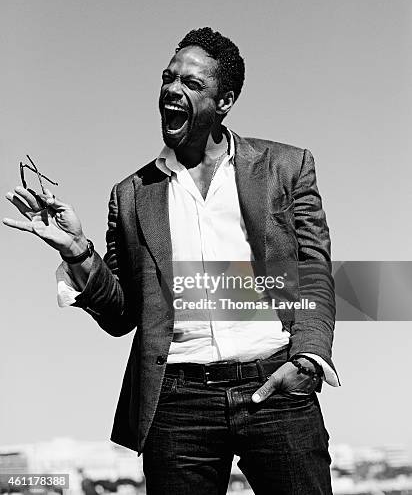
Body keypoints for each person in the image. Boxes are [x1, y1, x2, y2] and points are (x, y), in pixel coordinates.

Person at [4, 27, 339, 494]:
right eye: (168, 78)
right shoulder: (131, 195)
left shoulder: (287, 166)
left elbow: (314, 271)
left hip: (274, 385)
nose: (172, 90)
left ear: (224, 101)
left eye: (191, 83)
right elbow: (122, 315)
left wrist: (306, 361)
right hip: (178, 401)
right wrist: (77, 250)